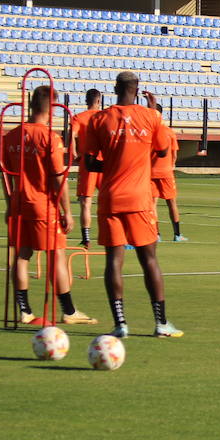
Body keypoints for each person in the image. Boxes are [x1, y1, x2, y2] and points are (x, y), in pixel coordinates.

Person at [79, 71, 183, 338]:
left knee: (114, 261)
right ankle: (161, 324)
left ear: (115, 89)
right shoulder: (151, 117)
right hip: (140, 198)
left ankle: (120, 324)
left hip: (111, 197)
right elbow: (161, 150)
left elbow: (89, 163)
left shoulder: (100, 119)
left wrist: (112, 164)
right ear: (137, 90)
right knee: (149, 260)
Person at [0, 85, 96, 327]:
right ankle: (69, 311)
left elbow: (4, 173)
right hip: (44, 206)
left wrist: (9, 204)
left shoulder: (10, 135)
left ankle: (24, 310)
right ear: (52, 107)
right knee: (57, 257)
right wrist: (67, 211)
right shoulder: (49, 137)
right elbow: (57, 178)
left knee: (22, 256)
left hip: (20, 203)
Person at [69, 88, 103, 248]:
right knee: (110, 198)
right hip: (104, 162)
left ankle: (86, 238)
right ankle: (114, 234)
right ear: (99, 101)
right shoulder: (105, 116)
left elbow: (72, 135)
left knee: (86, 202)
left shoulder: (79, 117)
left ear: (86, 100)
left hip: (88, 162)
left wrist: (74, 152)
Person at [151, 104, 186, 242]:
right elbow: (174, 154)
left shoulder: (148, 131)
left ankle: (156, 234)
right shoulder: (169, 132)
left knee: (152, 204)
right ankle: (177, 234)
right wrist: (170, 165)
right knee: (171, 203)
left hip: (151, 172)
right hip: (166, 172)